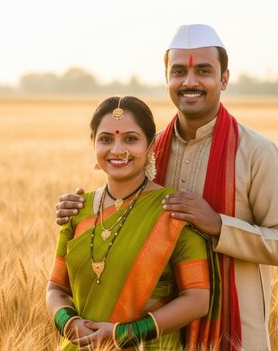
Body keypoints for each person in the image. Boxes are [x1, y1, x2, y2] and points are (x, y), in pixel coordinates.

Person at [55, 24, 278, 350]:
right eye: (178, 71)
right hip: (162, 335)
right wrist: (77, 207)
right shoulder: (148, 149)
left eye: (203, 71)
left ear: (224, 79)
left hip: (237, 332)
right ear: (167, 79)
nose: (189, 82)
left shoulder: (257, 152)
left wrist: (218, 225)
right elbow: (119, 212)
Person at [46, 96, 221, 350]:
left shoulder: (173, 211)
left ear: (150, 145)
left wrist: (126, 333)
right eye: (106, 139)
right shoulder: (77, 210)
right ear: (93, 142)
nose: (117, 150)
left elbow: (197, 299)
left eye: (130, 139)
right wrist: (68, 323)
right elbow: (56, 288)